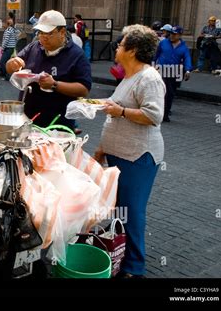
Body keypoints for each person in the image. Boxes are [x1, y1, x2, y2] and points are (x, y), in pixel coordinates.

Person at [94, 24, 165, 279]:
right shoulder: (128, 76)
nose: (117, 47)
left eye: (122, 43)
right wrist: (104, 147)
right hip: (118, 153)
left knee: (132, 212)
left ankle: (135, 268)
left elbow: (154, 115)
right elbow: (117, 109)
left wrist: (120, 111)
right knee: (120, 210)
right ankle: (121, 256)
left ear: (133, 50)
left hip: (138, 156)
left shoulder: (149, 78)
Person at [6, 10, 91, 129]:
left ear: (62, 32)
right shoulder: (34, 47)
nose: (43, 38)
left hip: (57, 123)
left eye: (48, 33)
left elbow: (84, 89)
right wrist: (12, 63)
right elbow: (10, 67)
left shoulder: (77, 54)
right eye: (40, 33)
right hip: (28, 119)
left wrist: (54, 85)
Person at [155, 25, 193, 122]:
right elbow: (156, 55)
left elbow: (187, 59)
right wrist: (151, 65)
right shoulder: (163, 43)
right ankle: (157, 112)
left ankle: (165, 113)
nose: (172, 36)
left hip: (174, 72)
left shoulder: (184, 47)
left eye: (175, 34)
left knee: (170, 94)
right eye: (171, 33)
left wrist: (188, 70)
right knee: (160, 92)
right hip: (160, 71)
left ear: (180, 35)